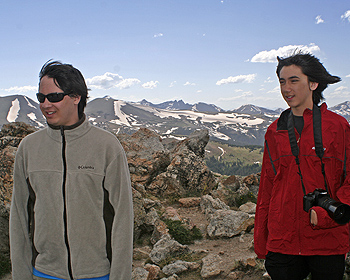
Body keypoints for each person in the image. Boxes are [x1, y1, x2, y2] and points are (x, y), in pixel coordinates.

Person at [10, 61, 134, 280]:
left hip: (97, 273)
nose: (45, 104)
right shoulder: (28, 148)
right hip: (44, 273)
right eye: (41, 98)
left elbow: (123, 217)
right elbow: (19, 217)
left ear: (76, 97)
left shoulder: (106, 146)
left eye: (54, 97)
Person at [254, 52, 350, 280]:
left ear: (313, 83)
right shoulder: (274, 131)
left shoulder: (338, 127)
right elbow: (267, 187)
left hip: (328, 238)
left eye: (294, 80)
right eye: (282, 81)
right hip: (282, 240)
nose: (286, 88)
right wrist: (262, 240)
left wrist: (328, 215)